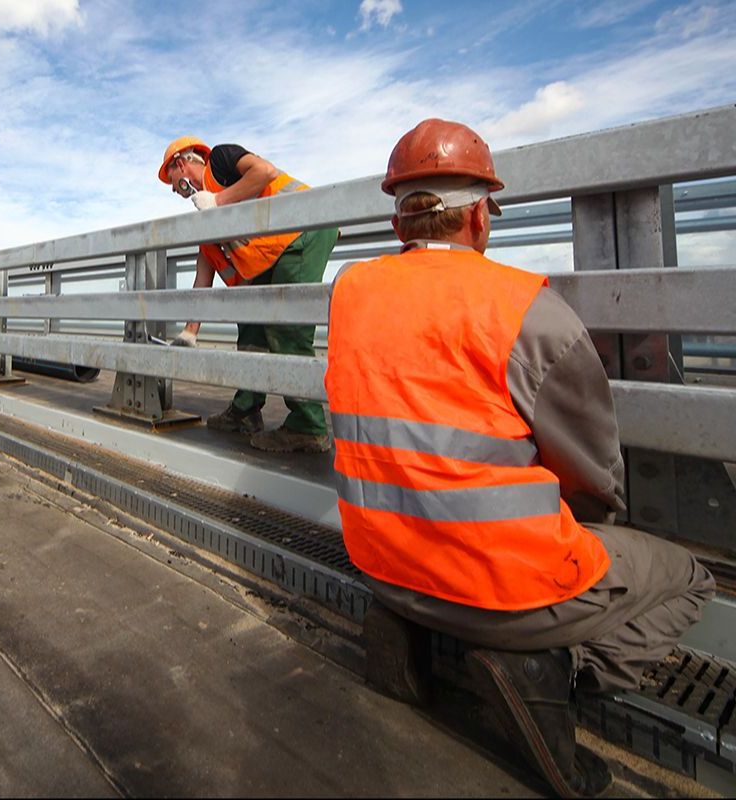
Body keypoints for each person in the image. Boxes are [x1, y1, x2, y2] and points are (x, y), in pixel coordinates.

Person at [325, 119, 715, 797]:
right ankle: (545, 669)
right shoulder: (529, 309)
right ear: (480, 216)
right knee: (687, 577)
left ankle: (404, 628)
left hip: (381, 565)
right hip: (497, 593)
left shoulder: (350, 294)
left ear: (398, 226)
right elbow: (594, 476)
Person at [159, 136, 340, 453]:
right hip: (277, 251)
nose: (174, 190)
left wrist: (217, 201)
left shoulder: (222, 161)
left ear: (181, 164)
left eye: (172, 181)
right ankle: (246, 409)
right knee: (252, 325)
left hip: (305, 227)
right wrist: (190, 332)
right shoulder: (209, 225)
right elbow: (202, 282)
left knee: (287, 330)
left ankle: (308, 426)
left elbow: (264, 172)